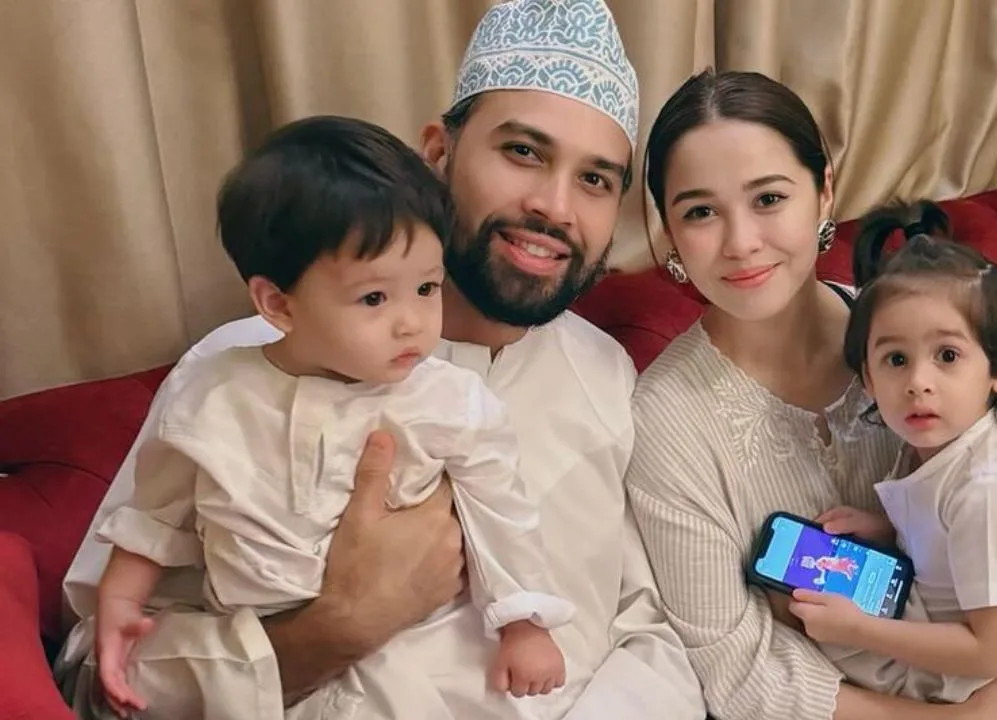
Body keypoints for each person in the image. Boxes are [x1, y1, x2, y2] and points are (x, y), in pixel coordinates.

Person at [54, 1, 706, 718]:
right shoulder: (239, 372)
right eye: (524, 152)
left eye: (596, 180)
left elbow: (649, 632)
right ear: (438, 154)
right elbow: (95, 680)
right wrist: (334, 629)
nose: (555, 206)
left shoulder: (608, 376)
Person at [625, 68, 997, 720]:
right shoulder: (665, 420)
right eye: (701, 212)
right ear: (669, 231)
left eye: (768, 198)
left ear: (824, 191)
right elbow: (740, 675)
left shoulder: (916, 340)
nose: (741, 243)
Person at [92, 115, 576, 718]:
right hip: (255, 655)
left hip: (407, 659)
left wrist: (524, 623)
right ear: (278, 303)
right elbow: (155, 515)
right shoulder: (211, 394)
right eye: (374, 297)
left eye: (427, 288)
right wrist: (120, 603)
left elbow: (501, 514)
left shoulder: (451, 401)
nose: (412, 322)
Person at [786, 201, 997, 718]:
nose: (918, 382)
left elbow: (992, 650)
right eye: (896, 359)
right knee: (794, 592)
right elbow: (953, 532)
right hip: (988, 661)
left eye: (947, 356)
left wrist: (859, 629)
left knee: (796, 611)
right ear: (868, 378)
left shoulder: (988, 490)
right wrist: (890, 528)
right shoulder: (944, 449)